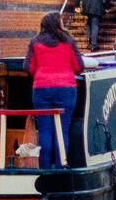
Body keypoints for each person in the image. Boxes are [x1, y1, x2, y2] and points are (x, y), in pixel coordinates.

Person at [25, 13, 84, 169]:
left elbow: (28, 68)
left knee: (45, 131)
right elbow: (79, 67)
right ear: (59, 25)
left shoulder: (35, 42)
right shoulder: (69, 41)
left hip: (41, 89)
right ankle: (61, 167)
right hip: (66, 88)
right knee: (62, 131)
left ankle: (45, 169)